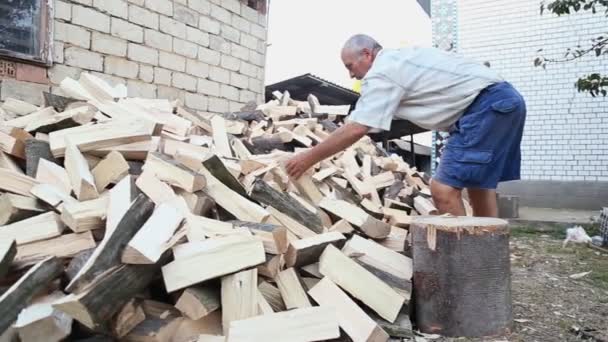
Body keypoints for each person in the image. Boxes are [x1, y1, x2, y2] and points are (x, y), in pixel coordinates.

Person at [285, 34, 526, 218]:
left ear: (367, 54)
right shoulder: (401, 58)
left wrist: (307, 158)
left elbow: (358, 128)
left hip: (484, 107)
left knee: (442, 190)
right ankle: (488, 257)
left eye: (350, 66)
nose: (351, 75)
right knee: (479, 184)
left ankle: (466, 265)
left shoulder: (382, 72)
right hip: (505, 101)